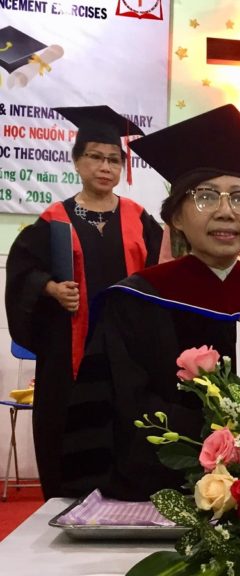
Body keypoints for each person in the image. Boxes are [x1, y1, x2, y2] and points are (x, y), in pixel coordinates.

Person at [62, 104, 240, 500]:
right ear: (177, 218)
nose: (225, 212)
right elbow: (124, 407)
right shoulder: (135, 299)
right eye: (205, 197)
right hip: (158, 490)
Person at [5, 105, 163, 499]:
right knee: (69, 423)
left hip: (127, 347)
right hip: (70, 347)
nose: (104, 166)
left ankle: (128, 499)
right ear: (77, 161)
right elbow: (22, 271)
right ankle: (66, 501)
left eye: (113, 159)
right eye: (94, 156)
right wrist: (51, 288)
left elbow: (163, 272)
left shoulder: (139, 217)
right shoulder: (54, 219)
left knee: (127, 417)